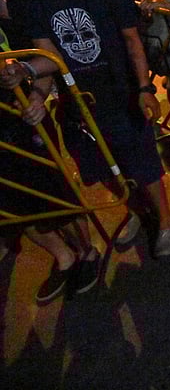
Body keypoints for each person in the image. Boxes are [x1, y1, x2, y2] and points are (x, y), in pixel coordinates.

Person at [8, 0, 170, 258]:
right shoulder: (24, 1)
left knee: (143, 166)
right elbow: (48, 58)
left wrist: (145, 89)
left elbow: (133, 42)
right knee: (100, 167)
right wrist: (34, 88)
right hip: (76, 105)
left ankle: (163, 222)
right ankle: (133, 210)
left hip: (121, 93)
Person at [0, 23, 101, 303]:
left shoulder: (9, 12)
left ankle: (87, 252)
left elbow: (48, 58)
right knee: (14, 208)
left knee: (54, 194)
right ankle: (64, 257)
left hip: (21, 121)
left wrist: (37, 95)